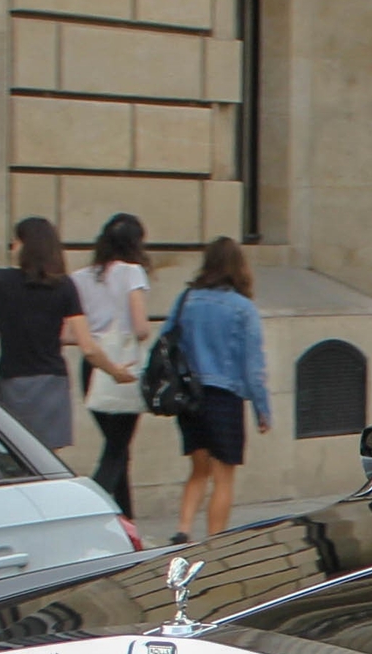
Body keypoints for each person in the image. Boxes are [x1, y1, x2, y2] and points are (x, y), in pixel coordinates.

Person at [0, 217, 133, 455]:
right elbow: (87, 346)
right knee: (45, 458)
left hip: (12, 380)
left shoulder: (0, 280)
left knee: (12, 453)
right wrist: (114, 371)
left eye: (15, 241)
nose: (12, 247)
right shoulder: (64, 286)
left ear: (25, 245)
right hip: (52, 382)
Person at [168, 237, 270, 542]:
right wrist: (261, 409)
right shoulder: (242, 308)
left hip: (189, 396)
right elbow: (253, 365)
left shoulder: (187, 298)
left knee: (199, 469)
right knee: (224, 476)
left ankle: (182, 529)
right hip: (224, 398)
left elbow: (166, 341)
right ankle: (216, 540)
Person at [72, 213, 152, 516]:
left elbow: (70, 332)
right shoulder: (132, 272)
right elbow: (140, 325)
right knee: (117, 448)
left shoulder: (80, 277)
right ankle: (94, 507)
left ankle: (125, 517)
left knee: (117, 446)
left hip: (91, 363)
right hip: (123, 363)